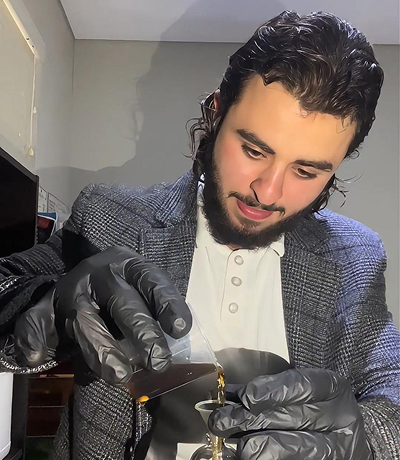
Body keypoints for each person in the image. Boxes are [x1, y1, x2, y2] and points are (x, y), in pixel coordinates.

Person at [0, 10, 399, 460]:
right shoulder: (108, 216)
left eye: (306, 171)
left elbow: (392, 391)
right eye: (253, 150)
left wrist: (364, 438)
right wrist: (49, 305)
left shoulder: (355, 257)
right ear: (217, 111)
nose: (267, 191)